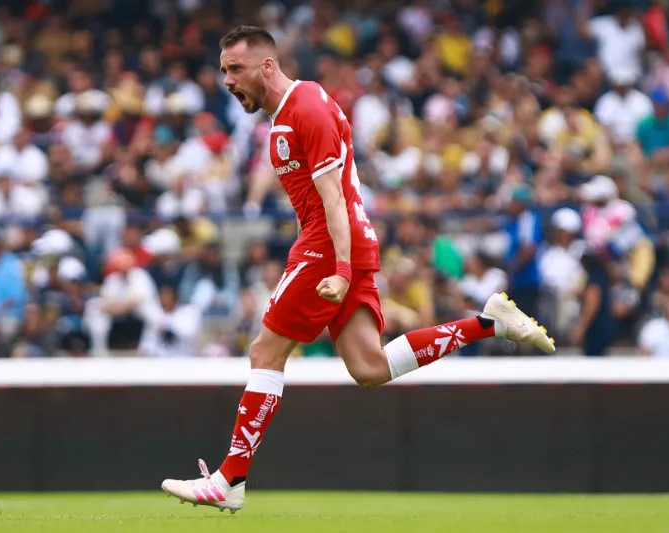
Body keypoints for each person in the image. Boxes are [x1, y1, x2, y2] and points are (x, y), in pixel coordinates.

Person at [161, 26, 555, 514]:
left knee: (265, 352)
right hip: (346, 243)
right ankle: (489, 323)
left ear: (267, 66)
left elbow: (332, 198)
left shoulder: (304, 107)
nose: (227, 80)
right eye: (223, 70)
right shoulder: (290, 113)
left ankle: (230, 479)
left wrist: (342, 270)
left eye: (235, 69)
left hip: (329, 246)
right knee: (370, 367)